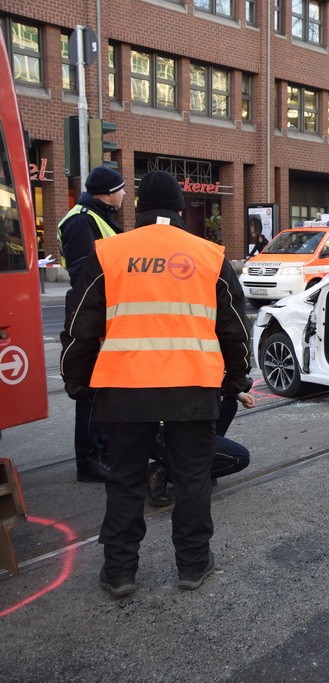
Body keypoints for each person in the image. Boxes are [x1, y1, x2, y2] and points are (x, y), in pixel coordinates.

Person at [60, 170, 252, 597]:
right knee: (192, 479)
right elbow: (235, 326)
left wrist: (77, 381)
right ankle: (193, 565)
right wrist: (237, 378)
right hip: (193, 388)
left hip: (125, 389)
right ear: (181, 209)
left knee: (126, 479)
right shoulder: (208, 254)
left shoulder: (109, 252)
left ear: (139, 208)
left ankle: (121, 572)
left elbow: (80, 326)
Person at [57, 166, 126, 483]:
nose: (125, 195)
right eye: (121, 189)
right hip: (91, 314)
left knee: (104, 388)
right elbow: (84, 274)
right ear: (109, 192)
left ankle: (102, 451)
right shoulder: (81, 220)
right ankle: (89, 461)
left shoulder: (96, 217)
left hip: (102, 312)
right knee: (91, 391)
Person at [147, 390, 256, 506]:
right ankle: (163, 470)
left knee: (228, 402)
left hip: (182, 412)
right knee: (239, 458)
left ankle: (204, 462)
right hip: (163, 426)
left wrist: (236, 391)